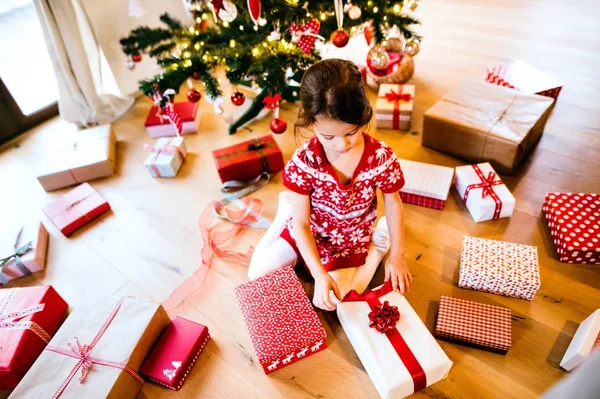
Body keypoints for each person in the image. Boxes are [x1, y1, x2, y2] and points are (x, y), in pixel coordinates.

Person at [248, 58, 411, 310]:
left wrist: (397, 255)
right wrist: (318, 274)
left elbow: (394, 204)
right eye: (328, 136)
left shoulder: (381, 156)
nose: (342, 145)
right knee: (256, 275)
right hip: (311, 230)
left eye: (351, 132)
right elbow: (302, 225)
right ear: (311, 123)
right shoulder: (305, 160)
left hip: (350, 238)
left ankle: (379, 243)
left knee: (338, 303)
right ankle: (286, 213)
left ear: (363, 116)